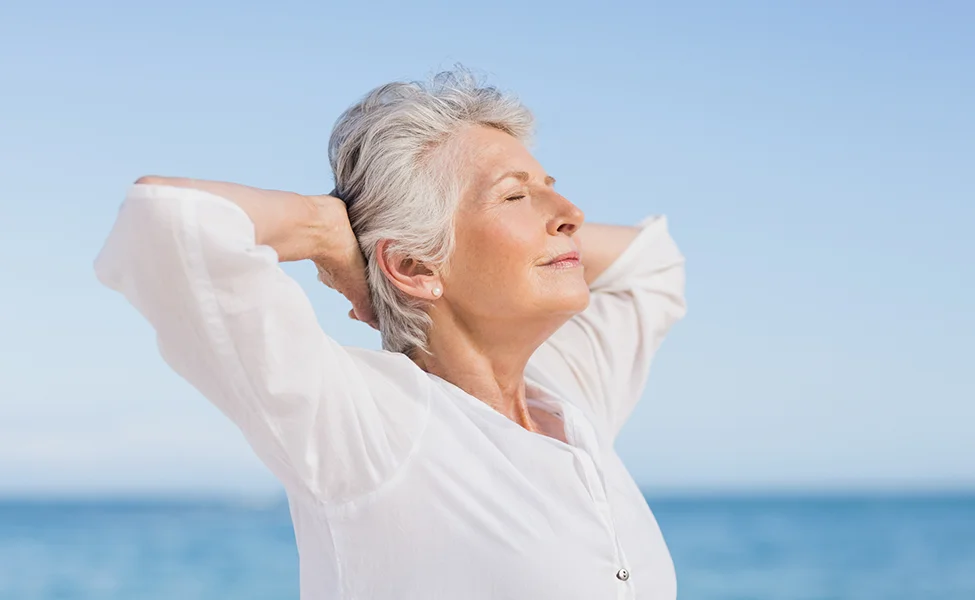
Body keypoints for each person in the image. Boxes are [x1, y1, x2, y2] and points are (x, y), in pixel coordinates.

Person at [95, 67, 687, 599]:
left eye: (549, 185)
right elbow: (163, 219)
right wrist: (326, 228)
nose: (571, 212)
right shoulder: (366, 424)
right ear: (414, 266)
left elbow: (652, 262)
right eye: (515, 195)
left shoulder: (568, 395)